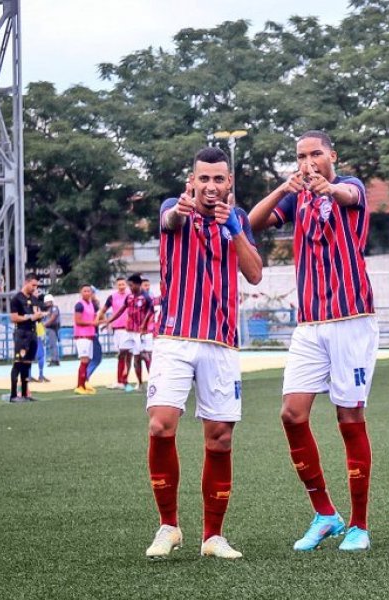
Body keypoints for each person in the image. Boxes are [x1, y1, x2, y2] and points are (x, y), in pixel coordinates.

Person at [249, 130, 376, 552]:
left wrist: (328, 187)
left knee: (349, 417)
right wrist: (283, 189)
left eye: (316, 153)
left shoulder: (351, 186)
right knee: (292, 415)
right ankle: (325, 514)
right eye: (302, 155)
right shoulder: (295, 197)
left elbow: (348, 195)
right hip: (309, 323)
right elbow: (251, 223)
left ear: (331, 155)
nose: (308, 161)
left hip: (351, 319)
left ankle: (359, 525)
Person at [144, 146, 263, 559]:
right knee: (161, 425)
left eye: (218, 179)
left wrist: (234, 227)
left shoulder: (237, 218)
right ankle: (168, 526)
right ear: (191, 181)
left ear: (229, 183)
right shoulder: (174, 209)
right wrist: (183, 210)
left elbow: (254, 273)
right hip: (174, 338)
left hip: (222, 342)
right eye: (203, 178)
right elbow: (169, 221)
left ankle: (213, 536)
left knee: (220, 439)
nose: (210, 186)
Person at [7, 274, 44, 402]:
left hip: (33, 333)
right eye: (33, 285)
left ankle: (24, 394)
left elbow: (36, 316)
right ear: (26, 282)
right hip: (22, 333)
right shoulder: (16, 299)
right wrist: (30, 317)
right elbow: (14, 318)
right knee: (18, 363)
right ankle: (13, 395)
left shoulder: (34, 299)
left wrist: (39, 316)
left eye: (36, 286)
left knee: (27, 364)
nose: (35, 288)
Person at [122, 273, 155, 392]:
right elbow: (126, 311)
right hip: (134, 332)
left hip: (146, 333)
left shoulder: (148, 298)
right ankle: (140, 383)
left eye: (131, 285)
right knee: (136, 358)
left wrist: (145, 326)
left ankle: (153, 382)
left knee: (147, 357)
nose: (130, 287)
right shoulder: (130, 297)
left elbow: (152, 313)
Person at [97, 277, 132, 389]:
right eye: (119, 284)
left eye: (123, 284)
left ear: (126, 285)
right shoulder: (112, 297)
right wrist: (104, 322)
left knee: (127, 355)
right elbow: (103, 311)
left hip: (128, 329)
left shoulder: (131, 296)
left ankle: (124, 380)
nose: (121, 286)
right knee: (121, 355)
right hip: (117, 329)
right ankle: (120, 380)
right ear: (116, 286)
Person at [73, 285, 100, 395]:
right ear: (81, 292)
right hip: (82, 336)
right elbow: (78, 321)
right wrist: (92, 323)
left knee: (87, 361)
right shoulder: (79, 305)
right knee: (84, 361)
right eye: (85, 291)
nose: (87, 293)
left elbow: (96, 317)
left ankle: (84, 384)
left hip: (90, 336)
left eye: (89, 291)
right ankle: (80, 386)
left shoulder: (91, 305)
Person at [140, 279, 158, 372]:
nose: (147, 287)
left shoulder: (152, 298)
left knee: (150, 353)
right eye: (145, 285)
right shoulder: (137, 298)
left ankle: (152, 373)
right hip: (139, 330)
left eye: (148, 285)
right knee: (141, 355)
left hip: (149, 330)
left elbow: (152, 314)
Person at [32, 289, 49, 383]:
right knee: (41, 353)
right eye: (36, 292)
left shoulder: (25, 302)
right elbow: (36, 315)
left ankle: (29, 375)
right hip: (36, 328)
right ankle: (40, 375)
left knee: (29, 354)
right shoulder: (34, 303)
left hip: (30, 328)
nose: (37, 294)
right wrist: (44, 313)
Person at [43, 293, 61, 368]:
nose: (47, 303)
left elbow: (53, 317)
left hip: (52, 328)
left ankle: (54, 360)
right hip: (49, 328)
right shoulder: (48, 310)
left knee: (53, 344)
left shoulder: (54, 308)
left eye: (48, 302)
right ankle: (55, 359)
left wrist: (45, 324)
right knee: (52, 344)